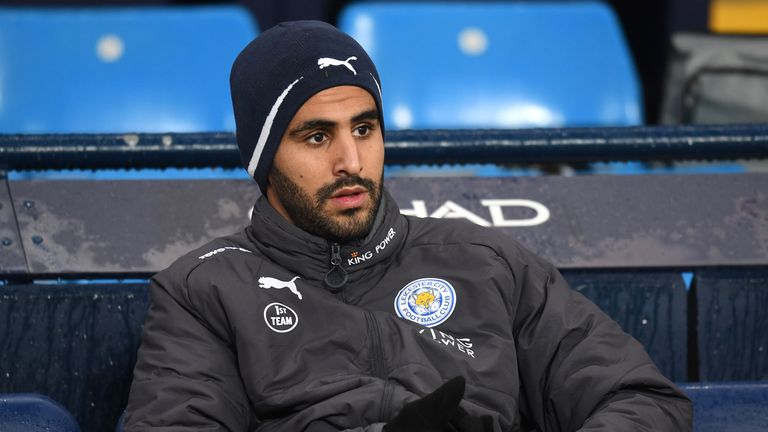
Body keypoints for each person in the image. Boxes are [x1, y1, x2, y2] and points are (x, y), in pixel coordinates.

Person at [125, 20, 692, 431]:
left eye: (366, 128)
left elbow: (641, 399)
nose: (351, 160)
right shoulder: (204, 291)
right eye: (317, 136)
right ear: (263, 155)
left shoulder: (485, 261)